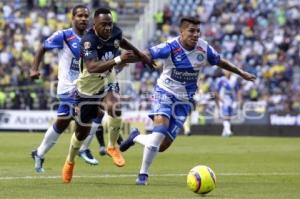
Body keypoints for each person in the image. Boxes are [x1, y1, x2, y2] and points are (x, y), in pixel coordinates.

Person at [120, 16, 256, 185]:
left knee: (161, 146)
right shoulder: (170, 47)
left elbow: (220, 61)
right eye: (191, 31)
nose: (196, 34)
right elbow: (146, 54)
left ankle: (136, 137)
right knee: (159, 133)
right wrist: (124, 58)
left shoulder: (204, 48)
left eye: (198, 31)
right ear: (181, 32)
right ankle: (143, 175)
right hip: (164, 93)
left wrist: (240, 72)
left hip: (184, 101)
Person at [62, 7, 149, 183]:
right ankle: (70, 161)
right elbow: (92, 67)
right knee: (82, 132)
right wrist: (119, 60)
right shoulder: (88, 41)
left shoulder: (114, 31)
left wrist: (141, 55)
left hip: (108, 79)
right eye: (104, 25)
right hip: (88, 86)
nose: (108, 28)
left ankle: (112, 146)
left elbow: (121, 41)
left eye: (110, 24)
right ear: (95, 25)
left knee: (115, 106)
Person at [30, 5, 100, 173]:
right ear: (72, 18)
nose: (83, 18)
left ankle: (39, 153)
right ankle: (83, 148)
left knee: (62, 123)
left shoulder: (92, 37)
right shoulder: (64, 36)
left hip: (86, 86)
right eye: (80, 16)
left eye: (86, 16)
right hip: (69, 87)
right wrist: (34, 69)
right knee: (96, 113)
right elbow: (42, 48)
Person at [214, 70, 242, 137]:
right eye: (227, 71)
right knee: (225, 116)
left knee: (228, 117)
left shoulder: (234, 80)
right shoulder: (221, 80)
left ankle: (224, 133)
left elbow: (238, 91)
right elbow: (216, 92)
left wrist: (239, 100)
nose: (228, 72)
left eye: (229, 71)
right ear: (224, 72)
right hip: (223, 101)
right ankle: (229, 132)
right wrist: (219, 100)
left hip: (231, 101)